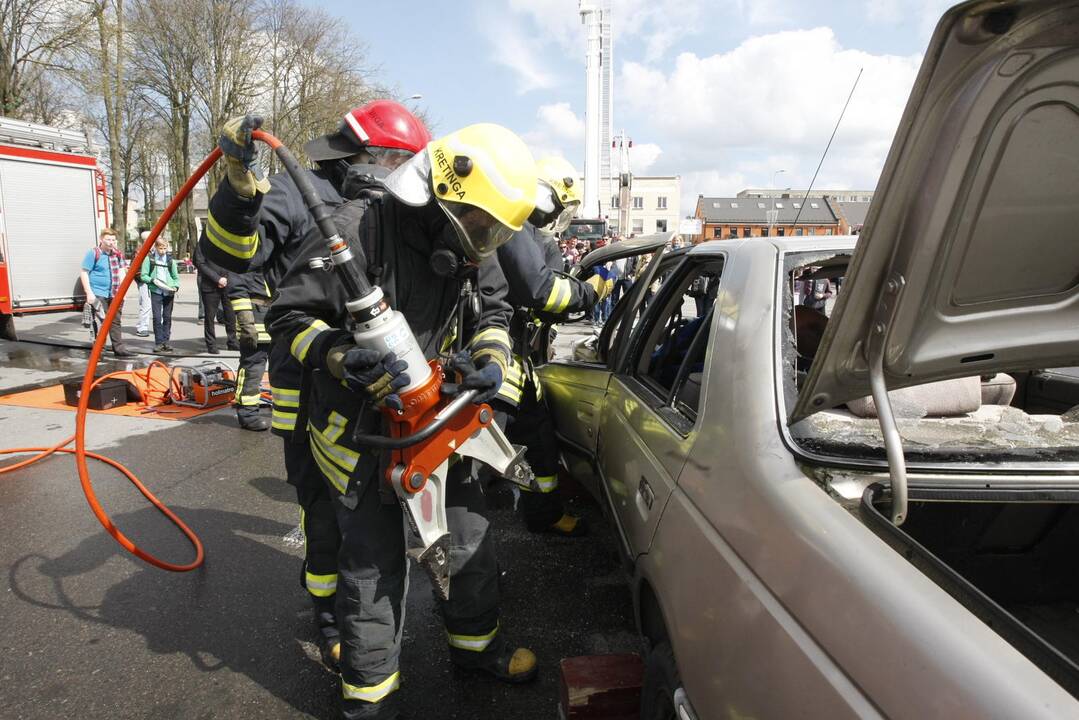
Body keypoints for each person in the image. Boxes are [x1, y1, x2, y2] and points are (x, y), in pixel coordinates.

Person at [267, 122, 538, 720]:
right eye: (479, 227)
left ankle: (475, 650)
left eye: (495, 233)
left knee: (468, 541)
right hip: (362, 429)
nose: (484, 244)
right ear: (440, 199)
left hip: (442, 416)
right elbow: (288, 319)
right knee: (372, 567)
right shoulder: (351, 232)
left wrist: (490, 359)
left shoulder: (476, 243)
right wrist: (339, 355)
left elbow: (495, 311)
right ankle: (370, 698)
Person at [198, 102, 432, 673]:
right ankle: (329, 618)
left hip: (382, 390)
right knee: (322, 509)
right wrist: (236, 183)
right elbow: (231, 254)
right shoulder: (297, 192)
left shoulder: (401, 207)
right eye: (390, 159)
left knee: (374, 520)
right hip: (307, 378)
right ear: (358, 154)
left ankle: (368, 624)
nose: (395, 172)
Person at [492, 156, 608, 536]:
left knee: (538, 437)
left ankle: (542, 513)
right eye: (562, 207)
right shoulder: (513, 227)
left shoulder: (523, 231)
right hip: (494, 358)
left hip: (515, 360)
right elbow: (541, 290)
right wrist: (588, 293)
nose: (561, 216)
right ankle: (471, 533)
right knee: (481, 454)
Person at [79, 228, 133, 358]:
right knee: (102, 321)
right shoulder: (94, 253)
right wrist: (89, 293)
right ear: (101, 239)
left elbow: (121, 271)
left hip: (115, 293)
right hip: (98, 293)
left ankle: (119, 349)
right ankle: (99, 349)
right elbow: (84, 272)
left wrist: (123, 292)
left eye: (113, 240)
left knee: (115, 321)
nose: (111, 242)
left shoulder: (117, 254)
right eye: (108, 239)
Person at [192, 241, 238, 354]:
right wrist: (217, 279)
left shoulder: (226, 241)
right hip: (210, 285)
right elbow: (199, 263)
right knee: (209, 317)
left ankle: (232, 342)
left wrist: (226, 278)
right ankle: (211, 344)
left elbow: (233, 260)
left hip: (227, 283)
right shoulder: (203, 244)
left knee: (230, 315)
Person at [139, 237, 180, 353]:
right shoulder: (149, 259)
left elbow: (176, 277)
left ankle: (166, 342)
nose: (162, 251)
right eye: (160, 248)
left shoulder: (170, 260)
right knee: (157, 317)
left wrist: (176, 286)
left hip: (168, 291)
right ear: (156, 247)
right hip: (156, 291)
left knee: (167, 317)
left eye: (165, 248)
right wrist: (152, 281)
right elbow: (143, 275)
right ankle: (159, 342)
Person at [135, 231, 153, 338]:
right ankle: (142, 327)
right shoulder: (139, 251)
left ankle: (158, 326)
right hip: (144, 282)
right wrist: (143, 279)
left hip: (156, 281)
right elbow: (136, 269)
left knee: (158, 305)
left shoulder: (156, 250)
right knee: (146, 304)